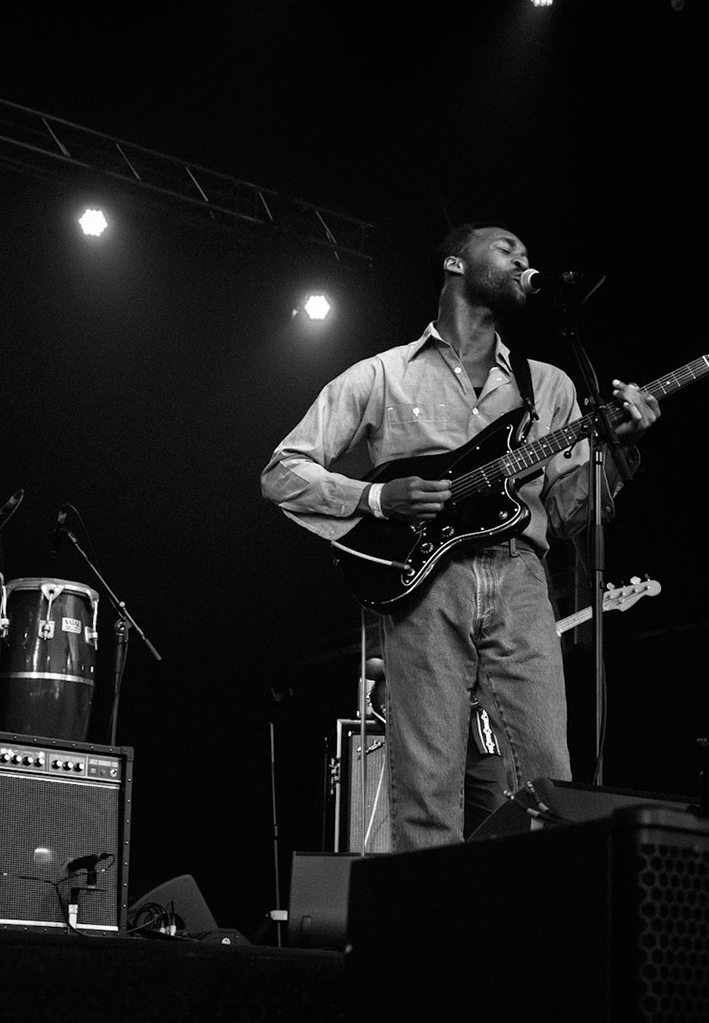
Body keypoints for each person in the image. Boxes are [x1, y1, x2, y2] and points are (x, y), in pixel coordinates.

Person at [262, 224, 660, 851]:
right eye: (507, 249)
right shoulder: (383, 374)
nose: (523, 259)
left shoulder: (548, 384)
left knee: (550, 776)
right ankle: (430, 942)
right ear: (455, 262)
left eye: (529, 254)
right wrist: (373, 496)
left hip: (523, 577)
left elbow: (565, 511)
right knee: (427, 787)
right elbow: (282, 472)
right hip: (424, 583)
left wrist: (619, 451)